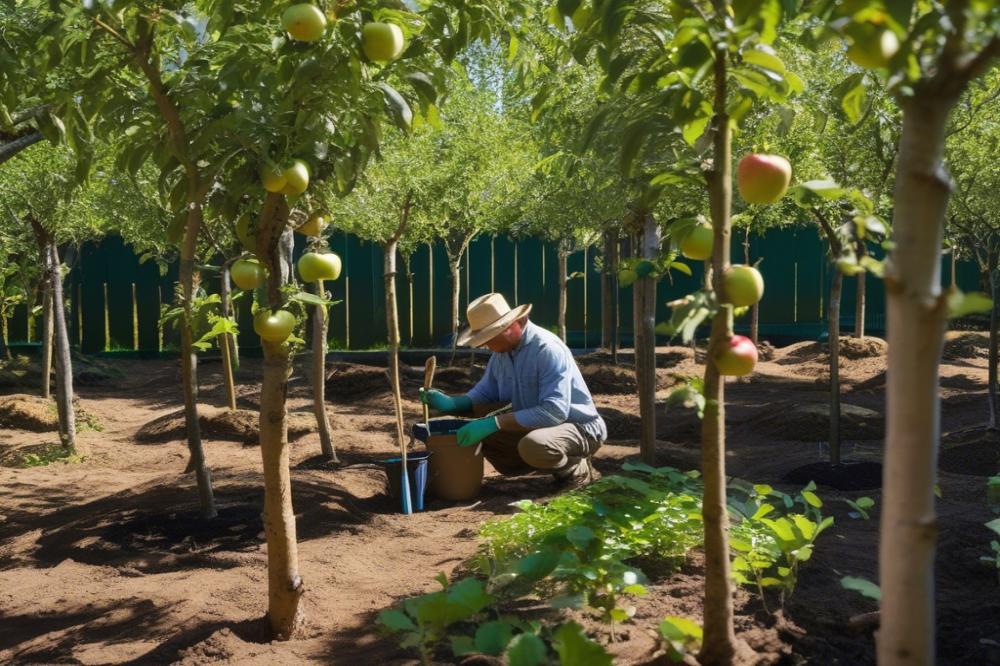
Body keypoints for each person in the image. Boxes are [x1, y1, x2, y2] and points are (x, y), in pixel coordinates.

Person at [420, 293, 607, 489]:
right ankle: (539, 465)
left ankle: (575, 468)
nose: (485, 344)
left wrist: (495, 423)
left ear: (511, 326)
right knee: (483, 421)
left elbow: (554, 412)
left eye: (489, 337)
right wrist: (452, 403)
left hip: (578, 427)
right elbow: (485, 395)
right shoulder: (501, 354)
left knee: (533, 445)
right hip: (540, 424)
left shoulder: (546, 350)